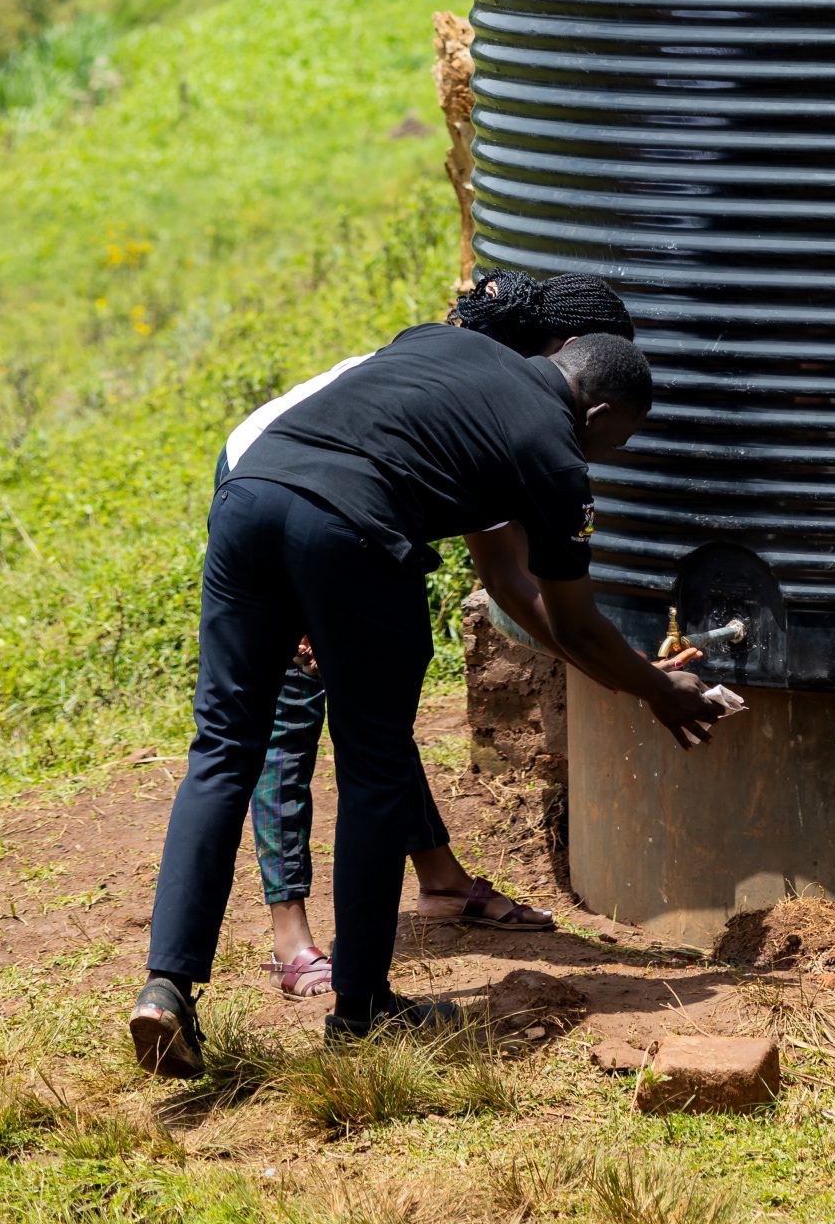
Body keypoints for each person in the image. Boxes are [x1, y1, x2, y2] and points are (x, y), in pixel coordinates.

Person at [130, 304, 718, 1076]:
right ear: (599, 411)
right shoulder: (555, 456)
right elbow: (575, 625)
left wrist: (638, 679)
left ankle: (165, 986)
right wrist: (659, 692)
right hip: (352, 532)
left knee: (222, 748)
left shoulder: (444, 345)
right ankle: (362, 1007)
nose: (608, 455)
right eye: (618, 440)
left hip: (250, 494)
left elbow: (506, 581)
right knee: (374, 764)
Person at [249, 270, 641, 996]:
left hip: (340, 503)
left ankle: (439, 879)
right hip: (275, 480)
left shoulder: (497, 398)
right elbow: (514, 584)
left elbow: (508, 576)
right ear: (563, 349)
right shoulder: (499, 406)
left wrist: (610, 665)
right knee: (292, 713)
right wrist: (626, 673)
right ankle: (290, 936)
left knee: (375, 707)